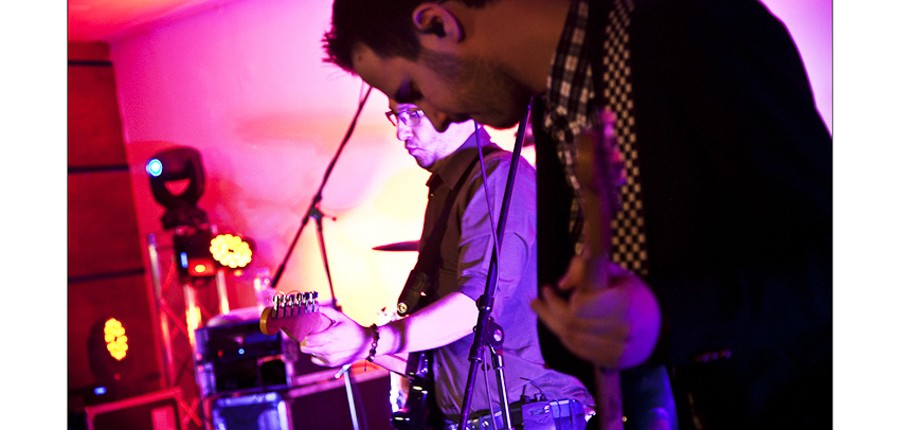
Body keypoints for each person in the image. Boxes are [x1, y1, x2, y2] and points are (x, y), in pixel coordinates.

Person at [320, 0, 833, 429]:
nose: (435, 118)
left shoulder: (690, 29)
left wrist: (667, 315)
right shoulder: (553, 106)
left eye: (412, 93)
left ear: (438, 23)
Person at [300, 100, 596, 429]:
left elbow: (474, 308)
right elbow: (441, 359)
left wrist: (372, 340)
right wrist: (357, 345)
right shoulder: (448, 188)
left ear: (455, 105)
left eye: (412, 114)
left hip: (529, 416)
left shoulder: (495, 177)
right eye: (396, 116)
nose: (401, 132)